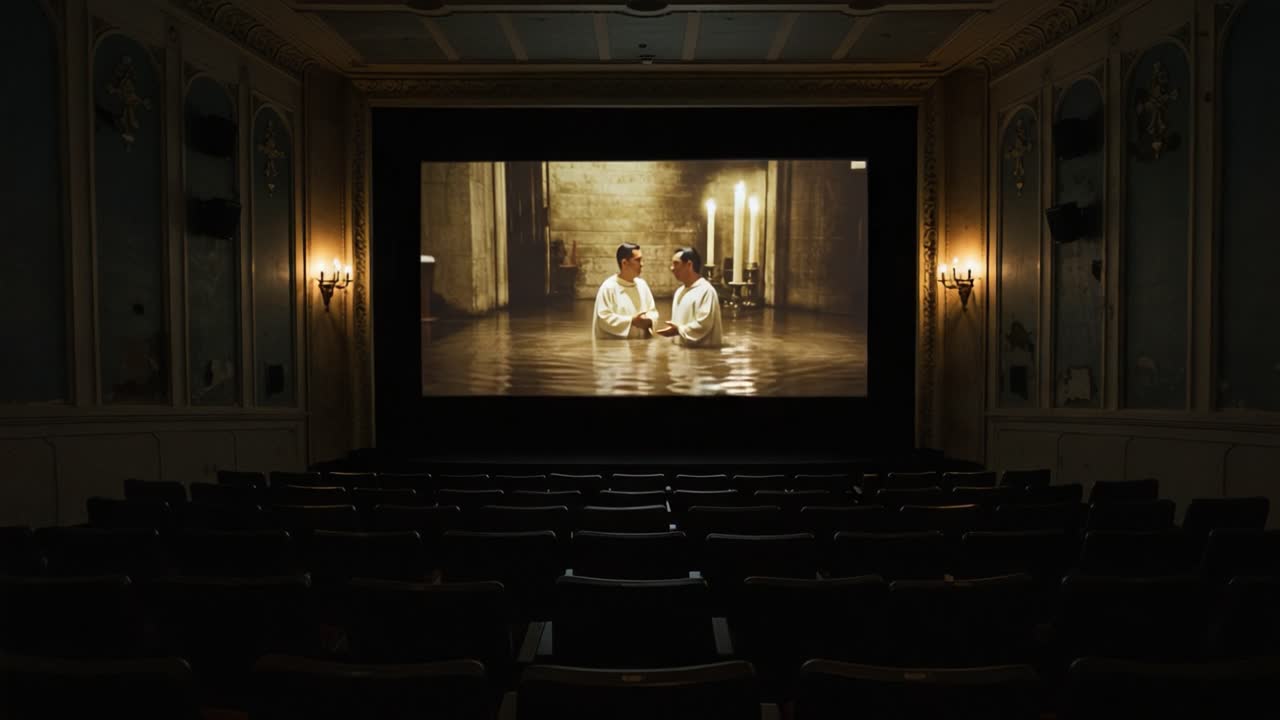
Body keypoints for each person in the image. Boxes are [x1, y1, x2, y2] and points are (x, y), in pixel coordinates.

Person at [657, 247, 723, 348]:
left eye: (676, 263)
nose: (671, 268)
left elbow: (704, 325)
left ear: (689, 265)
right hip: (681, 354)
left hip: (701, 356)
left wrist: (679, 330)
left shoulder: (706, 291)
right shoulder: (679, 292)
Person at [593, 242, 660, 339]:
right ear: (624, 263)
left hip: (641, 349)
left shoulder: (642, 286)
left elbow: (653, 311)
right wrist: (631, 321)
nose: (642, 264)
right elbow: (603, 319)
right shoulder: (608, 288)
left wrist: (649, 321)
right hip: (616, 350)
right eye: (638, 260)